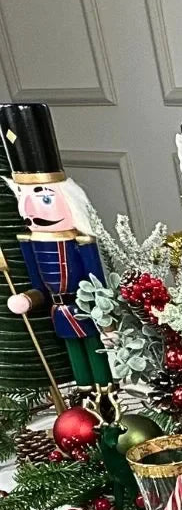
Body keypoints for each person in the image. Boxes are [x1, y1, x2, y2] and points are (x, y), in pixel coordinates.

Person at [1, 102, 113, 401]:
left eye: (42, 197)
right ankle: (86, 392)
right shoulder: (30, 243)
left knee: (94, 349)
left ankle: (105, 389)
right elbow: (39, 285)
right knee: (74, 354)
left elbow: (97, 282)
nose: (31, 208)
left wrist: (106, 317)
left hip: (85, 310)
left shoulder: (81, 243)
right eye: (24, 197)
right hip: (58, 310)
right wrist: (26, 298)